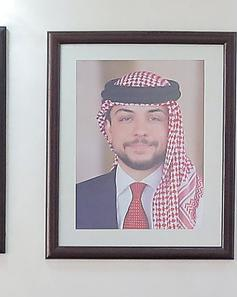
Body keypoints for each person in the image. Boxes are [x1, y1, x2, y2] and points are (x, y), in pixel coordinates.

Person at [76, 70, 203, 231]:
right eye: (126, 119)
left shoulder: (201, 202)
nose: (140, 131)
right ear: (108, 129)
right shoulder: (75, 200)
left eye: (154, 118)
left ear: (171, 128)